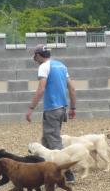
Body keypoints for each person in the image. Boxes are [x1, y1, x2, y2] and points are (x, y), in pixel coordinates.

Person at [25, 44, 77, 183]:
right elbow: (72, 88)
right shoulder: (61, 66)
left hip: (52, 109)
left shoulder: (44, 66)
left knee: (55, 143)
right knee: (46, 141)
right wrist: (73, 108)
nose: (34, 59)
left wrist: (31, 108)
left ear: (38, 55)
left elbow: (41, 89)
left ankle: (68, 174)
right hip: (61, 109)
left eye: (35, 56)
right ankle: (43, 170)